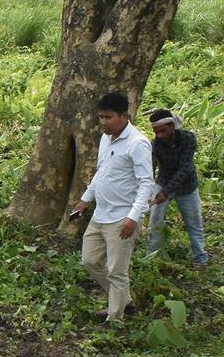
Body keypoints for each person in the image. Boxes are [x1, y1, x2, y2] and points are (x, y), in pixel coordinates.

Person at [70, 91, 153, 324]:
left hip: (122, 217)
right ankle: (124, 301)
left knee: (117, 270)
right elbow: (102, 172)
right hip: (101, 213)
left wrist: (133, 217)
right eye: (101, 118)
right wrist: (85, 200)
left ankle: (114, 318)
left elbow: (146, 183)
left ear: (124, 116)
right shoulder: (105, 139)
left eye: (108, 118)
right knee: (90, 260)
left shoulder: (137, 144)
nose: (103, 123)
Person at [146, 108, 207, 266]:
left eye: (163, 131)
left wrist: (165, 193)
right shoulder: (156, 144)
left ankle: (200, 260)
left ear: (172, 125)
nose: (160, 135)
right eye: (156, 132)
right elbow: (149, 168)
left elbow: (184, 169)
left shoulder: (188, 139)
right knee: (155, 223)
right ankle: (151, 260)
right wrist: (148, 190)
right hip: (163, 182)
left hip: (187, 186)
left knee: (194, 224)